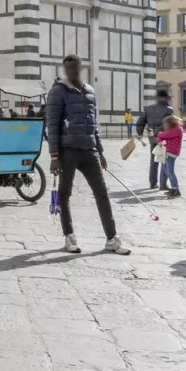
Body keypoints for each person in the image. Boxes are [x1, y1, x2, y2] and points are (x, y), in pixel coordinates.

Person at [45, 54, 125, 254]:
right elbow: (52, 125)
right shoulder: (58, 91)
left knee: (102, 193)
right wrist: (54, 156)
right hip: (67, 150)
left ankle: (111, 238)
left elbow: (93, 124)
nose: (73, 71)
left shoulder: (89, 90)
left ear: (81, 68)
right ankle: (69, 236)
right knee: (64, 194)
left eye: (77, 67)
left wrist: (101, 150)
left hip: (89, 150)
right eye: (69, 68)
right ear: (65, 70)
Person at [137, 89, 175, 189]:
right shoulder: (169, 109)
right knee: (164, 160)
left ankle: (153, 183)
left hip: (152, 137)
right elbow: (170, 125)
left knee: (153, 160)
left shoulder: (149, 108)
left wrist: (140, 133)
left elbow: (140, 121)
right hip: (164, 138)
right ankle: (163, 184)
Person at [156, 115, 184, 198]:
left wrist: (160, 134)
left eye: (166, 123)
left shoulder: (178, 129)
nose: (165, 125)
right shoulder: (171, 129)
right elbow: (160, 138)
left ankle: (176, 189)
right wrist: (160, 139)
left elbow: (165, 135)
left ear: (171, 123)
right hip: (166, 152)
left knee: (170, 171)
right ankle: (173, 188)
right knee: (167, 171)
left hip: (171, 153)